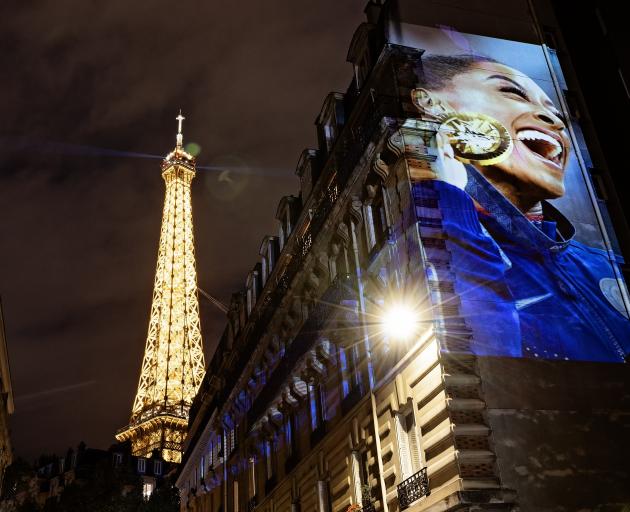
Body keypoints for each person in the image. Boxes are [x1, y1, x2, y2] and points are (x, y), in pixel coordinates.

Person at [396, 54, 630, 362]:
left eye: (556, 112)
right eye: (513, 92)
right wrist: (449, 198)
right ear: (430, 103)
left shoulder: (608, 265)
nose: (556, 121)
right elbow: (482, 366)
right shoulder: (412, 253)